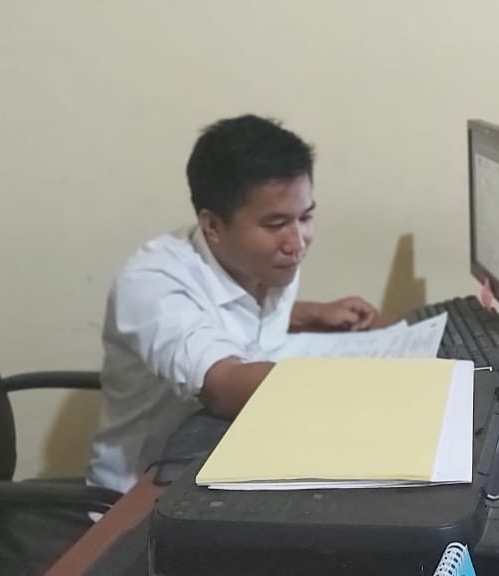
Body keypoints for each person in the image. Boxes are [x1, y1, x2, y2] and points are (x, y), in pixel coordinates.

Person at [86, 114, 379, 494]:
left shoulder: (263, 263)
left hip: (235, 455)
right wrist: (372, 389)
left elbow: (238, 318)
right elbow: (223, 386)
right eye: (275, 225)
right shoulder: (152, 284)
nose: (297, 243)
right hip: (146, 496)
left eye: (306, 217)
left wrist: (310, 313)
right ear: (212, 225)